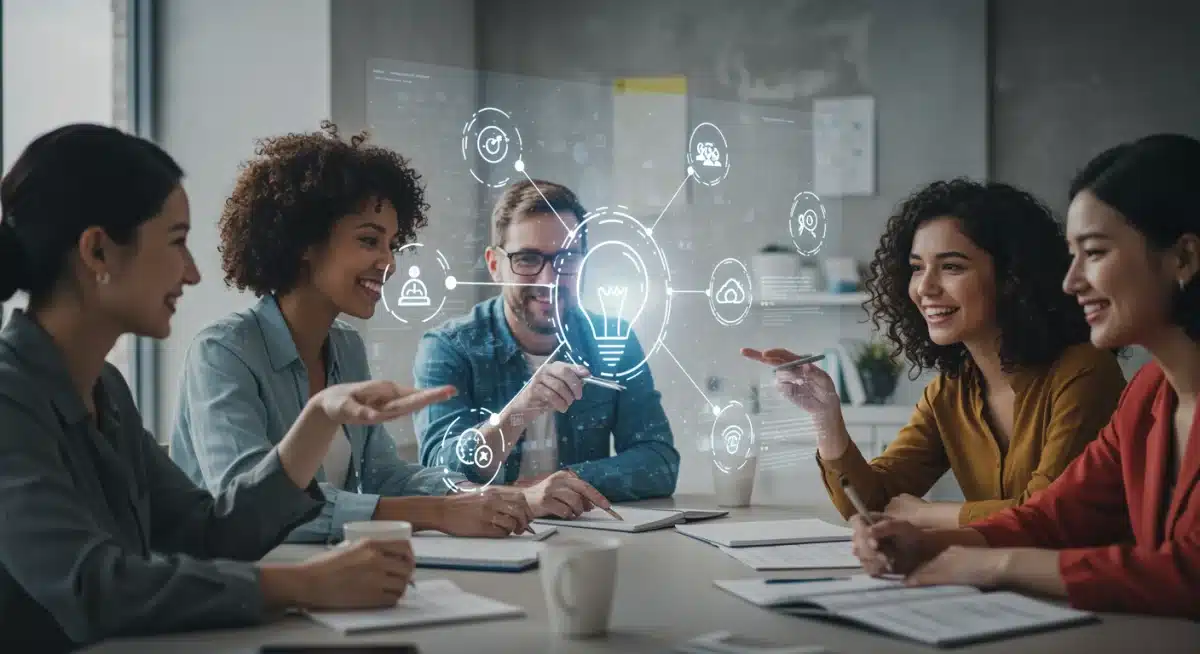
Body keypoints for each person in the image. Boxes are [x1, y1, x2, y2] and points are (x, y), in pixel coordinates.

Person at [0, 124, 455, 651]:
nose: (192, 273)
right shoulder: (11, 398)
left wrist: (318, 418)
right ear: (98, 252)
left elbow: (208, 533)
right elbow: (91, 585)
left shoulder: (107, 389)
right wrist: (305, 584)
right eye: (176, 242)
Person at [849, 134, 1200, 618]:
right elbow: (1056, 516)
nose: (1071, 280)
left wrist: (996, 565)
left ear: (1182, 258)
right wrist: (928, 546)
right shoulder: (1148, 394)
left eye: (1094, 253)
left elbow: (1189, 571)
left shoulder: (1088, 374)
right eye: (1072, 255)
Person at [171, 122, 545, 543]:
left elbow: (384, 473)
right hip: (243, 586)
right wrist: (438, 511)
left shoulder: (345, 346)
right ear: (304, 243)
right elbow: (249, 507)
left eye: (392, 244)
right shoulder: (223, 352)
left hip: (329, 576)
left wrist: (489, 498)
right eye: (369, 241)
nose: (389, 262)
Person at [743, 179, 1127, 528]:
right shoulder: (950, 392)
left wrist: (927, 514)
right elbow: (870, 502)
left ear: (1013, 278)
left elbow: (1048, 515)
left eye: (951, 267)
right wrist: (825, 416)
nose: (924, 287)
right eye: (916, 268)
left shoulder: (1084, 372)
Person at [413, 179, 679, 510]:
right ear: (495, 265)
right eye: (526, 259)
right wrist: (518, 411)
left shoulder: (615, 341)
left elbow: (660, 462)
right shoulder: (449, 347)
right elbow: (439, 470)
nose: (549, 280)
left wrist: (563, 482)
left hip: (581, 537)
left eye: (566, 259)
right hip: (485, 540)